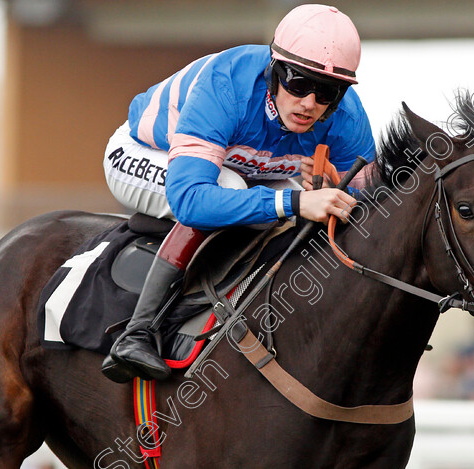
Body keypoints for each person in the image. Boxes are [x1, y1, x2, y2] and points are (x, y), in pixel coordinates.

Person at [101, 4, 377, 383]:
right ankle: (137, 332)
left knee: (307, 197)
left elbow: (374, 209)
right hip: (145, 153)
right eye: (298, 83)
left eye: (327, 91)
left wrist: (331, 188)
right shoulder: (227, 84)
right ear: (274, 72)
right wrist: (296, 201)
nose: (310, 103)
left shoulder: (347, 118)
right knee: (235, 191)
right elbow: (192, 199)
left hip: (242, 168)